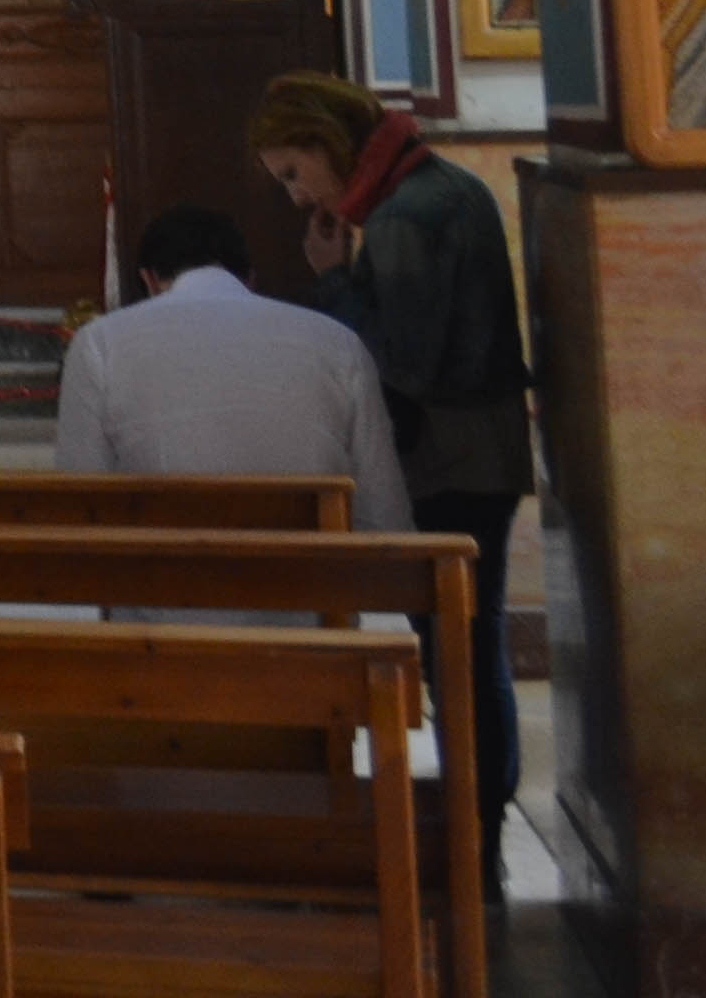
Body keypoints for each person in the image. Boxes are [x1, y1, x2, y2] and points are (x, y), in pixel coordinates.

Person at [252, 73, 530, 858]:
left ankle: (476, 822)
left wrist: (334, 281)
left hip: (452, 461)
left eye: (292, 175)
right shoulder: (436, 187)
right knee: (470, 641)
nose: (295, 196)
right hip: (480, 451)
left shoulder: (408, 217)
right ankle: (483, 815)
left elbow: (399, 360)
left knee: (458, 650)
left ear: (324, 146)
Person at [56, 204, 411, 532]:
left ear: (149, 280)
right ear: (250, 278)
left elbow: (83, 509)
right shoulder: (339, 342)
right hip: (311, 588)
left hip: (163, 590)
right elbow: (383, 513)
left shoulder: (99, 343)